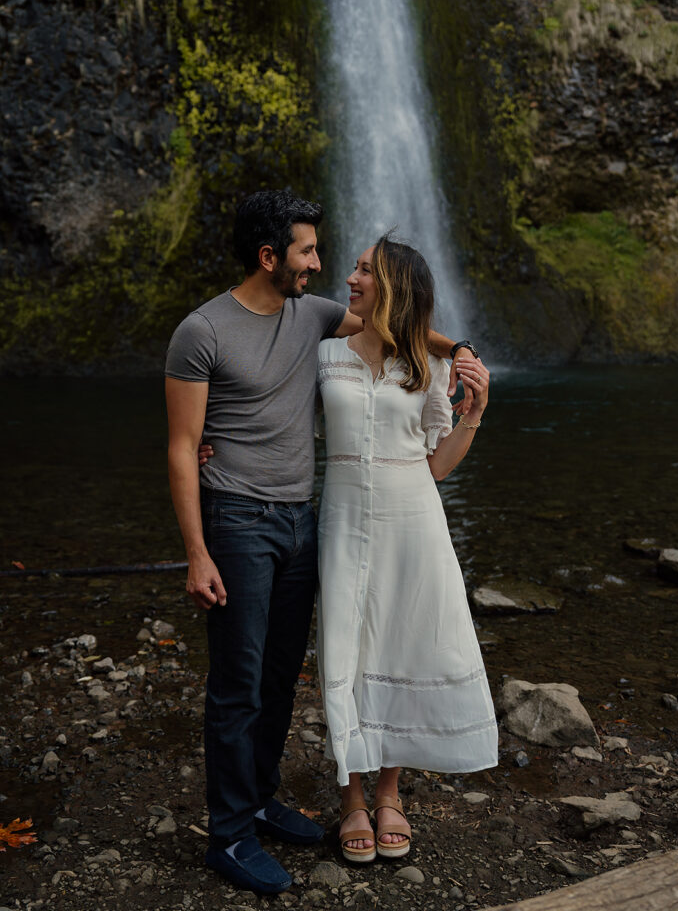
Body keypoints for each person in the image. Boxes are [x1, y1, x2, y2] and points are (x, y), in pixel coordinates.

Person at [165, 190, 472, 895]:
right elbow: (183, 448)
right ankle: (231, 834)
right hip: (236, 522)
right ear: (270, 257)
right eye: (306, 250)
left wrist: (459, 351)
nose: (320, 264)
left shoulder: (316, 317)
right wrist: (197, 551)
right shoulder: (201, 330)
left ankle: (263, 799)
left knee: (277, 677)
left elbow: (397, 323)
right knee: (237, 685)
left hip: (302, 523)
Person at [316, 234, 498, 863]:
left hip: (413, 521)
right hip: (342, 523)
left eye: (364, 271)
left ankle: (388, 794)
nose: (350, 278)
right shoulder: (325, 357)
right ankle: (351, 798)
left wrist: (473, 412)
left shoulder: (427, 366)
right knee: (347, 643)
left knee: (400, 642)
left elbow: (439, 466)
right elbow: (280, 422)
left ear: (391, 286)